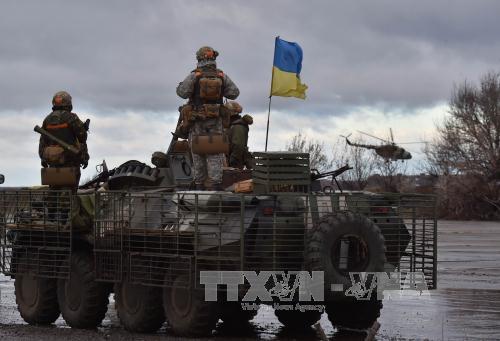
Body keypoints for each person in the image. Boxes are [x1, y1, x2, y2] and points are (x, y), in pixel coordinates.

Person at [176, 46, 240, 190]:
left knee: (197, 153)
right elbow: (234, 93)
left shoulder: (195, 75)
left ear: (199, 59)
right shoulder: (222, 75)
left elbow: (182, 92)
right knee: (215, 153)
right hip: (215, 121)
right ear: (214, 59)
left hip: (196, 121)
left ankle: (199, 188)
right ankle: (216, 188)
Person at [39, 91, 89, 190]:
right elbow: (83, 138)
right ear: (68, 103)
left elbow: (42, 141)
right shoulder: (72, 118)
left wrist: (43, 159)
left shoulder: (47, 119)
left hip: (52, 163)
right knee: (69, 195)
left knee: (54, 195)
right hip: (70, 162)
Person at [225, 102, 253, 169]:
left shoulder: (238, 125)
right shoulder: (231, 124)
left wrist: (233, 159)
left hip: (235, 162)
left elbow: (238, 145)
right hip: (230, 159)